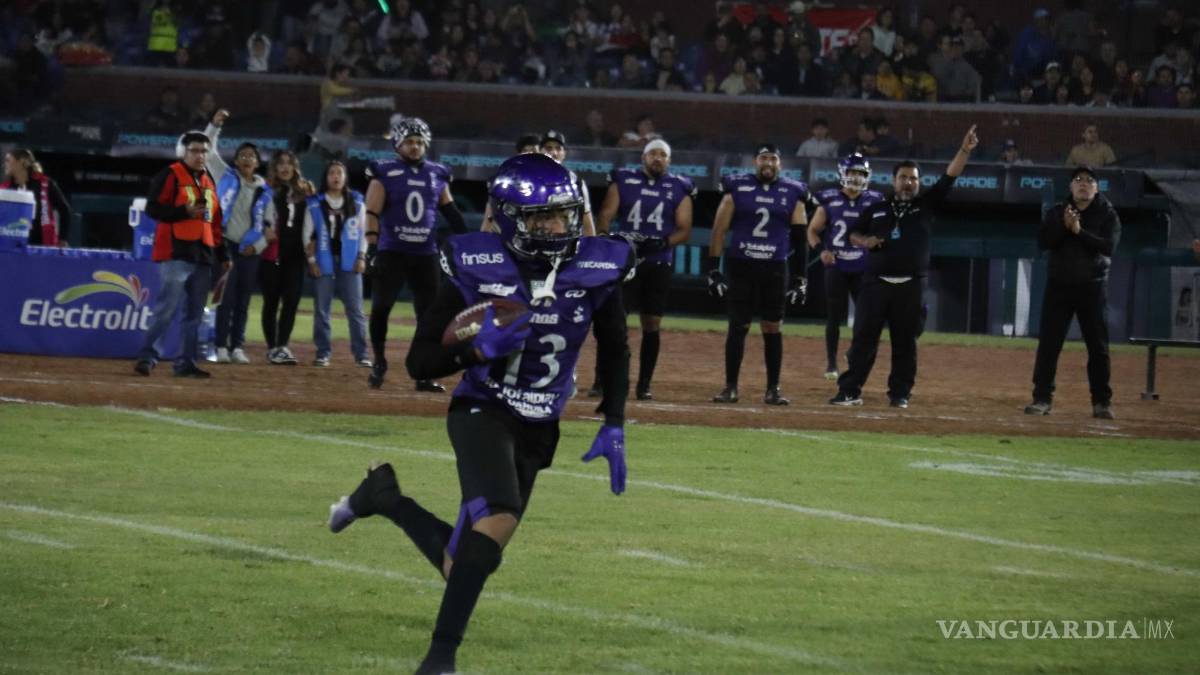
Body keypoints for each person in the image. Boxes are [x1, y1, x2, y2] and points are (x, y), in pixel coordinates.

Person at [326, 153, 631, 675]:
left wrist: (615, 421)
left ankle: (384, 497)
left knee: (466, 562)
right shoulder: (476, 262)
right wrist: (475, 351)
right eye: (542, 218)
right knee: (499, 517)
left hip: (541, 424)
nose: (558, 227)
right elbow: (420, 361)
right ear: (509, 219)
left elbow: (616, 344)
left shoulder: (597, 266)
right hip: (482, 408)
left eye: (564, 215)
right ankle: (439, 659)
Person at [830, 124, 979, 408]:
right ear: (894, 180)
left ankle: (899, 393)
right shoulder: (876, 208)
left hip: (911, 286)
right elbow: (852, 233)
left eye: (913, 178)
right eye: (903, 178)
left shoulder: (926, 205)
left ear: (919, 183)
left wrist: (964, 150)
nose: (908, 182)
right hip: (874, 285)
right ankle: (849, 390)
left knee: (905, 344)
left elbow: (950, 176)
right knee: (863, 340)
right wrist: (864, 241)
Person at [365, 117, 467, 390]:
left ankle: (424, 372)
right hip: (392, 252)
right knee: (381, 308)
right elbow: (372, 212)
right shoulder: (384, 172)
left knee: (429, 315)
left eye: (420, 142)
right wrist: (372, 248)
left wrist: (468, 242)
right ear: (398, 144)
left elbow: (451, 212)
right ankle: (379, 360)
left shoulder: (437, 173)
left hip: (425, 254)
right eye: (409, 142)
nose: (415, 147)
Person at [592, 138, 696, 400]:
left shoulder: (679, 186)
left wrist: (663, 242)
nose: (657, 158)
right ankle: (602, 379)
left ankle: (644, 384)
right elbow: (605, 215)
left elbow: (684, 228)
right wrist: (605, 242)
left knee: (652, 323)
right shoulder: (624, 180)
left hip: (657, 262)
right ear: (643, 157)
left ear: (669, 160)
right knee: (614, 321)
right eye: (653, 154)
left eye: (662, 154)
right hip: (626, 260)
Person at [706, 144, 810, 405]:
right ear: (755, 161)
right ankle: (730, 387)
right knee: (738, 325)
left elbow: (801, 239)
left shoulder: (793, 192)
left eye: (773, 158)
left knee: (773, 327)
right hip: (742, 265)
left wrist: (801, 278)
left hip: (775, 268)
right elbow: (719, 230)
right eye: (764, 158)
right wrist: (713, 269)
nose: (768, 163)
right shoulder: (737, 187)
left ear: (780, 164)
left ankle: (773, 389)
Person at [1025, 166, 1121, 419]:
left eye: (1089, 180)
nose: (1083, 184)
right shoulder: (1057, 211)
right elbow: (1044, 242)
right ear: (1071, 186)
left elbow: (1109, 247)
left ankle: (1101, 402)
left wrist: (1078, 231)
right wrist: (1064, 226)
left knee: (1098, 347)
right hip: (1059, 286)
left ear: (1097, 188)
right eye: (1078, 180)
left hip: (1093, 286)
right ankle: (1042, 398)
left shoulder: (1107, 213)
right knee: (1049, 345)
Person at [133, 130, 230, 378]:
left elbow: (215, 222)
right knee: (167, 308)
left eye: (204, 151)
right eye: (195, 150)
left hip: (203, 254)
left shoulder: (209, 180)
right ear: (183, 152)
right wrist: (183, 212)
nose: (200, 155)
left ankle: (186, 362)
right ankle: (147, 357)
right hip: (175, 252)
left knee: (194, 315)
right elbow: (153, 209)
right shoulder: (170, 175)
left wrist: (223, 254)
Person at [806, 153, 884, 380]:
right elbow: (812, 230)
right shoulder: (829, 199)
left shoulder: (874, 200)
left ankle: (854, 352)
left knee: (867, 317)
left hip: (863, 266)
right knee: (834, 316)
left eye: (861, 173)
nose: (857, 178)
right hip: (837, 265)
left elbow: (881, 230)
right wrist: (821, 251)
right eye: (853, 172)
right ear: (843, 173)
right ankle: (831, 362)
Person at [205, 109, 272, 365]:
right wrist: (214, 126)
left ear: (257, 163)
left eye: (251, 156)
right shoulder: (225, 175)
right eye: (242, 155)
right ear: (235, 161)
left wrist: (258, 247)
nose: (247, 158)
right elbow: (209, 152)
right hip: (225, 246)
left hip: (250, 251)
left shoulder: (265, 191)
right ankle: (221, 346)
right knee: (224, 297)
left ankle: (237, 347)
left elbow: (270, 226)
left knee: (243, 300)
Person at [306, 160, 371, 367]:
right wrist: (311, 261)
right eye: (331, 173)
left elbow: (364, 233)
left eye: (339, 173)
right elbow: (307, 234)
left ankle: (361, 354)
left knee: (356, 310)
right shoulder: (315, 203)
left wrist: (362, 256)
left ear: (345, 177)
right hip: (324, 260)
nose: (336, 177)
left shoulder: (357, 202)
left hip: (350, 262)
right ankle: (323, 352)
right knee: (322, 309)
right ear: (326, 177)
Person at [260, 151, 316, 365]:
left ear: (295, 167)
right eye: (281, 163)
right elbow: (260, 217)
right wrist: (265, 228)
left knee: (291, 301)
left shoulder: (304, 192)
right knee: (271, 302)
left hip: (295, 255)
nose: (285, 167)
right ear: (274, 167)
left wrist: (313, 241)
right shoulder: (266, 190)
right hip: (272, 253)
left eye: (289, 163)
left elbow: (314, 220)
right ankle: (272, 348)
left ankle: (282, 345)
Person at [1, 148, 71, 247]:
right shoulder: (4, 188)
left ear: (22, 162)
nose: (4, 164)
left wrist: (63, 238)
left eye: (8, 160)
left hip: (42, 247)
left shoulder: (45, 184)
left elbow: (64, 210)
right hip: (12, 246)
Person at [539, 130, 595, 236]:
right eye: (548, 148)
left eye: (558, 148)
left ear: (564, 154)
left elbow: (586, 220)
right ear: (540, 152)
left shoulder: (576, 182)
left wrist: (592, 244)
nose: (554, 153)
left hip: (568, 239)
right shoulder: (529, 181)